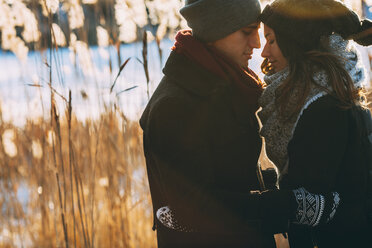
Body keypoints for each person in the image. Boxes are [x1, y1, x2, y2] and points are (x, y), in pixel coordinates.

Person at [140, 0, 341, 247]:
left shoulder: (218, 84)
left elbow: (226, 175)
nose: (257, 44)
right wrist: (290, 206)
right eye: (247, 32)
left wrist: (284, 182)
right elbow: (192, 212)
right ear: (214, 31)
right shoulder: (176, 106)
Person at [258, 0, 372, 247]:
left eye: (272, 40)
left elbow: (328, 204)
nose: (264, 52)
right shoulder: (320, 98)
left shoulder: (324, 110)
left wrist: (249, 207)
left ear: (295, 41)